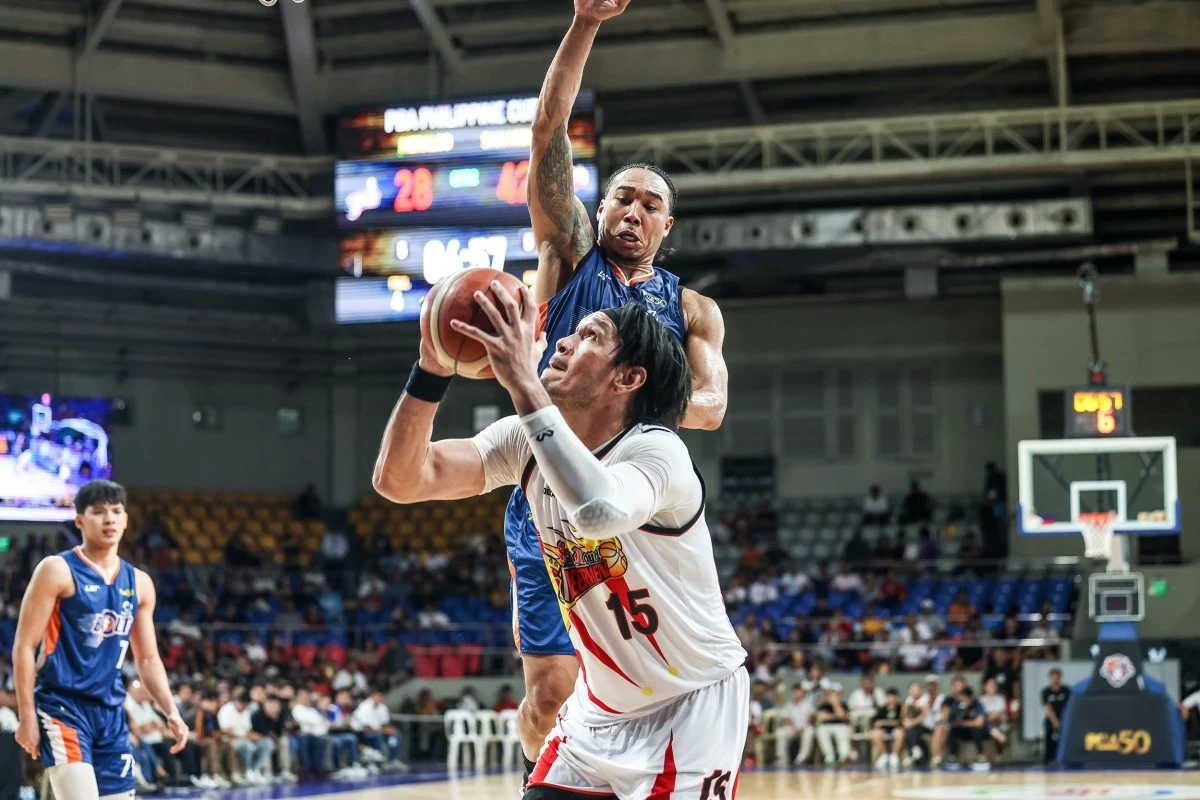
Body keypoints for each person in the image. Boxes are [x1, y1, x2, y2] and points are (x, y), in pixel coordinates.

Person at [372, 290, 747, 800]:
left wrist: (524, 383)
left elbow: (597, 511)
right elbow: (399, 480)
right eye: (573, 332)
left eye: (590, 335)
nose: (564, 341)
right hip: (598, 715)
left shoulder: (658, 452)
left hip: (689, 709)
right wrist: (431, 370)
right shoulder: (522, 441)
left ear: (627, 378)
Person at [502, 0, 731, 782]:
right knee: (550, 695)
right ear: (599, 211)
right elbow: (547, 134)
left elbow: (711, 409)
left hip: (640, 503)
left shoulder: (694, 311)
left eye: (650, 204)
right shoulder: (570, 254)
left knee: (643, 688)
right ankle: (542, 774)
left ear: (668, 227)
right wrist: (586, 22)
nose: (634, 210)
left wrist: (624, 393)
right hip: (548, 492)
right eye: (622, 198)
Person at [12, 480, 188, 800]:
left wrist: (170, 711)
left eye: (116, 511)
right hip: (63, 706)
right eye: (98, 512)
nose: (109, 519)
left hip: (111, 712)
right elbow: (24, 646)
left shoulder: (139, 582)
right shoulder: (57, 570)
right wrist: (26, 716)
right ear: (79, 520)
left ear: (126, 519)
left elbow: (148, 659)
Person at [217, 687, 273, 784]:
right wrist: (244, 737)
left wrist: (255, 736)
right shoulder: (226, 710)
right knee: (248, 746)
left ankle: (256, 770)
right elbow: (225, 731)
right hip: (229, 741)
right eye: (244, 704)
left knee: (267, 743)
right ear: (238, 702)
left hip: (245, 739)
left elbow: (248, 730)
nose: (245, 707)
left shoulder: (246, 711)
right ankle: (248, 772)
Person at [946, 686, 990, 770]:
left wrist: (965, 723)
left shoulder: (977, 705)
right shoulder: (958, 705)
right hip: (963, 731)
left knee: (976, 730)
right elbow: (952, 720)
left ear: (970, 697)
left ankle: (982, 756)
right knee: (953, 730)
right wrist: (958, 715)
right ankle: (953, 757)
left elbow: (979, 723)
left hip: (976, 732)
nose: (963, 700)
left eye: (965, 698)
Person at [773, 684, 815, 767]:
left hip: (805, 728)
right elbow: (788, 719)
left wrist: (803, 727)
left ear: (802, 693)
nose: (796, 693)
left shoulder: (808, 704)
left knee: (809, 731)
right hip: (793, 729)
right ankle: (782, 759)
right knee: (780, 732)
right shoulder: (788, 705)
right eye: (795, 691)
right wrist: (794, 728)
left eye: (798, 691)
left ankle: (801, 758)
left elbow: (810, 719)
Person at [814, 682, 853, 765]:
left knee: (843, 732)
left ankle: (843, 756)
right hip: (826, 726)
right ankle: (829, 756)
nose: (833, 695)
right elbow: (821, 717)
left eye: (835, 693)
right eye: (832, 693)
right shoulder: (825, 705)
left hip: (841, 726)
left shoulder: (843, 704)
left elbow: (842, 716)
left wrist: (835, 704)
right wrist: (835, 716)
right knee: (821, 730)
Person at [868, 688, 904, 771]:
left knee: (899, 733)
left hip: (896, 730)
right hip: (883, 730)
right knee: (875, 734)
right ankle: (884, 755)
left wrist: (884, 722)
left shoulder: (900, 708)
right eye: (889, 697)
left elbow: (899, 722)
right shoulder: (882, 709)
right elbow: (876, 722)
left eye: (893, 697)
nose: (891, 699)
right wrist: (884, 724)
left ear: (897, 698)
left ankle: (894, 756)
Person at [1041, 668, 1070, 764]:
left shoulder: (1066, 690)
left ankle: (1064, 759)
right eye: (1053, 677)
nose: (1055, 679)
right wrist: (1055, 721)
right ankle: (1049, 760)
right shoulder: (1046, 692)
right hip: (1051, 720)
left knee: (1064, 740)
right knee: (1049, 739)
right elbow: (1047, 707)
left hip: (1064, 719)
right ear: (1050, 678)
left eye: (1057, 677)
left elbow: (1069, 706)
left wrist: (1063, 720)